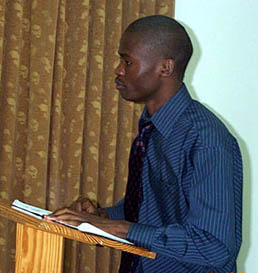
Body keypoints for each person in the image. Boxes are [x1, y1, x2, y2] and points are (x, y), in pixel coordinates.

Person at [46, 15, 243, 273]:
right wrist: (101, 218)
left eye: (127, 61)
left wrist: (118, 228)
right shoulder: (151, 129)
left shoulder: (207, 139)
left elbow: (214, 247)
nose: (118, 70)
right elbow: (150, 214)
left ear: (165, 68)